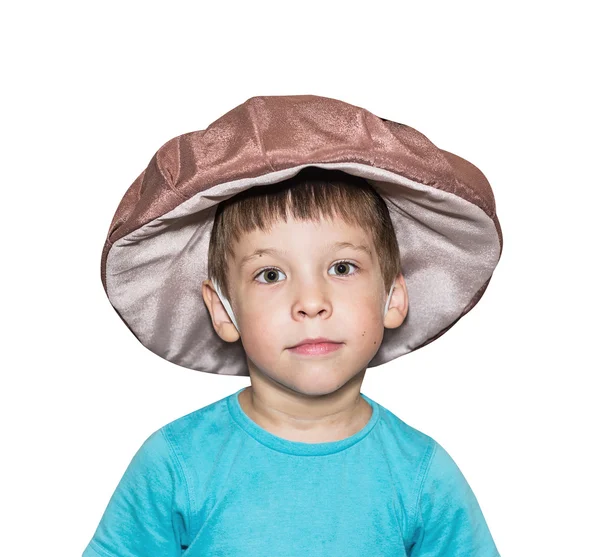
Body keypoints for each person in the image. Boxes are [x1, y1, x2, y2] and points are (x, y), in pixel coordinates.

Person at [83, 95, 502, 556]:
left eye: (342, 268)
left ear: (394, 297)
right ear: (223, 311)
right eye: (270, 275)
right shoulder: (175, 465)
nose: (311, 303)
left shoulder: (423, 476)